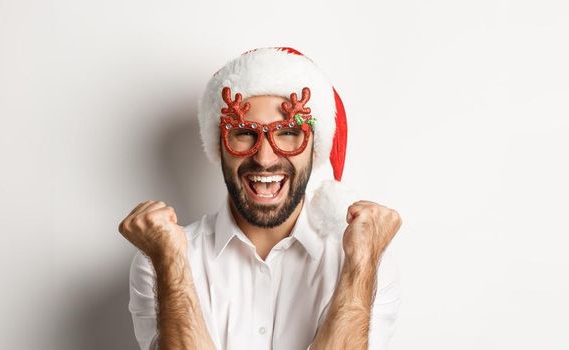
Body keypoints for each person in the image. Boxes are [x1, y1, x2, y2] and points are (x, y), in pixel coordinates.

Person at [119, 47, 402, 350]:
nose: (265, 159)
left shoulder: (364, 263)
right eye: (244, 133)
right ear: (220, 146)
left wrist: (360, 264)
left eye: (288, 133)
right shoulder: (162, 259)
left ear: (315, 149)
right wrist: (170, 263)